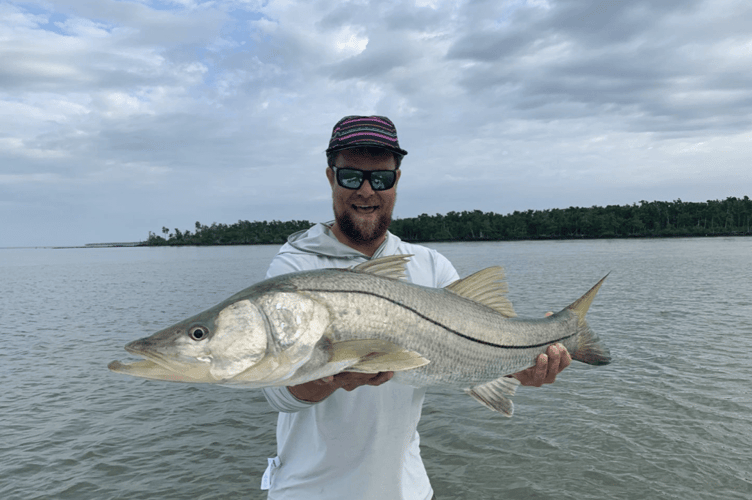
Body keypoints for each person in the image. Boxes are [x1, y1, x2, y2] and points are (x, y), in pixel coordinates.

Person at [260, 115, 571, 500]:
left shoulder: (430, 266)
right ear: (330, 177)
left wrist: (520, 366)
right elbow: (276, 394)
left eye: (382, 178)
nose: (367, 191)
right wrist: (329, 377)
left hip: (407, 490)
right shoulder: (296, 269)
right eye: (351, 177)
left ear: (397, 181)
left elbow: (475, 359)